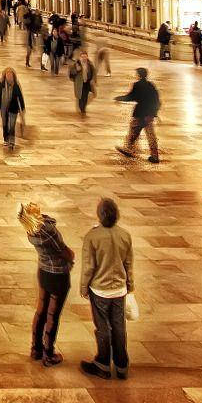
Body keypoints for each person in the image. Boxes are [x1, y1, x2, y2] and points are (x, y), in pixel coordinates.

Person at [79, 197, 134, 380]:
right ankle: (121, 365)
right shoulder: (125, 235)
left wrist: (83, 287)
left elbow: (89, 267)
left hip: (100, 289)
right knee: (119, 326)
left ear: (100, 215)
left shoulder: (92, 237)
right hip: (119, 289)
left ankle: (102, 364)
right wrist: (130, 285)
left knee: (102, 327)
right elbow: (129, 263)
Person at [19, 202, 73, 367]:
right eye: (29, 207)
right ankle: (49, 354)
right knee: (52, 315)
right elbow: (63, 250)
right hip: (57, 275)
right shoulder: (48, 231)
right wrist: (71, 257)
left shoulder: (31, 231)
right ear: (31, 215)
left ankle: (36, 349)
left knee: (41, 310)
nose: (32, 204)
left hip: (43, 271)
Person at [114, 68, 161, 163]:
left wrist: (119, 98)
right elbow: (157, 101)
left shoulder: (137, 85)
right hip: (149, 115)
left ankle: (129, 149)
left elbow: (131, 96)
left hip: (139, 113)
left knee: (133, 131)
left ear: (139, 75)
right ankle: (154, 155)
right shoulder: (151, 85)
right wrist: (154, 114)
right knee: (150, 135)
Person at [0, 68, 26, 149]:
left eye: (10, 74)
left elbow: (20, 96)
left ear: (13, 75)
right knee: (5, 124)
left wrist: (22, 108)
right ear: (5, 75)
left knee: (12, 125)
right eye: (7, 74)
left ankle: (12, 141)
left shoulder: (16, 84)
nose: (9, 76)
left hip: (13, 107)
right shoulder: (1, 83)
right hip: (3, 107)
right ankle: (6, 139)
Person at [70, 50, 97, 115]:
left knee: (85, 96)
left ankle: (83, 108)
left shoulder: (90, 64)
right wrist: (76, 70)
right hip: (80, 83)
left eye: (85, 57)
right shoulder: (77, 64)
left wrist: (93, 80)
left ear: (87, 57)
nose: (84, 58)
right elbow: (71, 72)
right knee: (80, 96)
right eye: (83, 57)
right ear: (80, 57)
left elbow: (94, 72)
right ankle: (81, 107)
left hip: (87, 82)